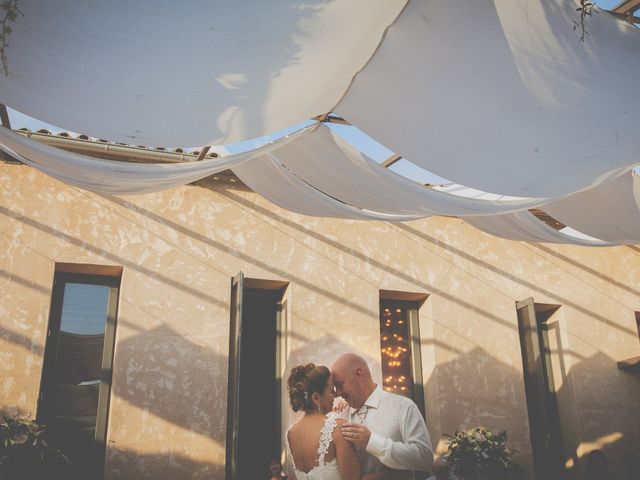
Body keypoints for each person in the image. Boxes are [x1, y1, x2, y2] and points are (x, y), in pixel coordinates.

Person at [286, 364, 401, 480]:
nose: (336, 396)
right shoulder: (337, 428)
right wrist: (395, 475)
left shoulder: (290, 434)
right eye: (331, 391)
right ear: (316, 398)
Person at [331, 353, 434, 478]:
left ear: (358, 374)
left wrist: (372, 442)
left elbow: (425, 458)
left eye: (340, 385)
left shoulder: (403, 407)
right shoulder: (339, 418)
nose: (338, 393)